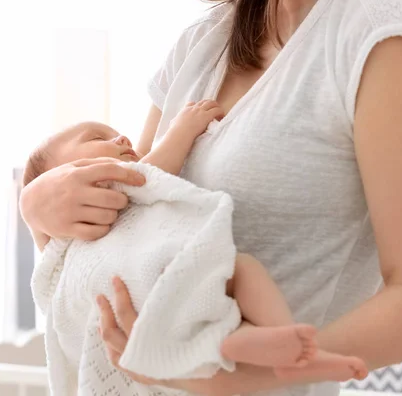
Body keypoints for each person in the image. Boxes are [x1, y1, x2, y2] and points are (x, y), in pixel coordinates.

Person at [20, 0, 402, 395]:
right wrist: (38, 212)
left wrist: (241, 373)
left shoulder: (378, 40)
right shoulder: (202, 41)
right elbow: (128, 227)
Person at [26, 101, 368, 387]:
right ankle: (286, 339)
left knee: (208, 332)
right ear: (64, 176)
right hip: (142, 286)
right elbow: (150, 171)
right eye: (98, 137)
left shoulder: (96, 211)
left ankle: (277, 348)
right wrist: (183, 130)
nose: (121, 136)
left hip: (152, 292)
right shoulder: (90, 202)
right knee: (242, 271)